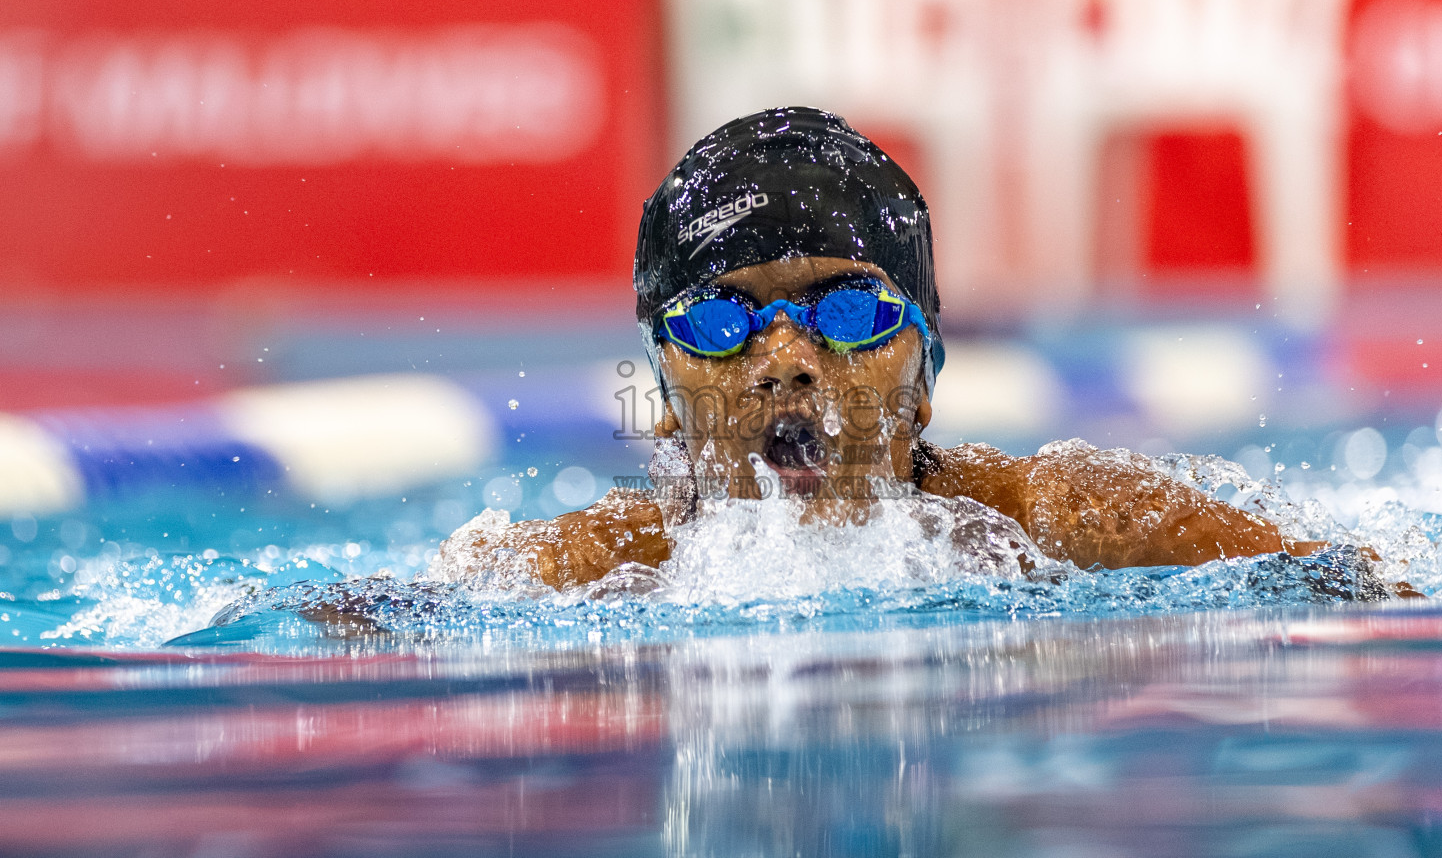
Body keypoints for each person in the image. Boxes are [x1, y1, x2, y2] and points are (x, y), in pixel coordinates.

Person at [439, 107, 1344, 592]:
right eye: (719, 321)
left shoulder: (1063, 519)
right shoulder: (593, 572)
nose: (786, 358)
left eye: (847, 312)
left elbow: (1351, 595)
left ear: (924, 379)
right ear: (667, 396)